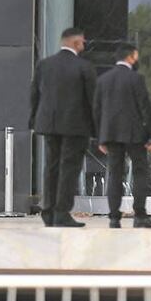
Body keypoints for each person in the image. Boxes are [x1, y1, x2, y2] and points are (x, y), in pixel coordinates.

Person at [29, 27, 96, 228]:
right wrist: (97, 130)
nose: (84, 45)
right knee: (69, 169)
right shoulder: (84, 67)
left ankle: (48, 211)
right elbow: (93, 100)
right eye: (83, 42)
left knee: (51, 167)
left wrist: (33, 121)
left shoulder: (44, 65)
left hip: (48, 124)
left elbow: (34, 95)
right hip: (75, 126)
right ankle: (62, 212)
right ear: (76, 43)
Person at [93, 43, 151, 229]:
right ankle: (140, 215)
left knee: (114, 173)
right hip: (134, 134)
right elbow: (145, 109)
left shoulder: (103, 80)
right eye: (136, 55)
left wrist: (100, 137)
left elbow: (96, 110)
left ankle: (114, 217)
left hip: (111, 134)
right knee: (140, 172)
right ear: (131, 57)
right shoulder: (136, 78)